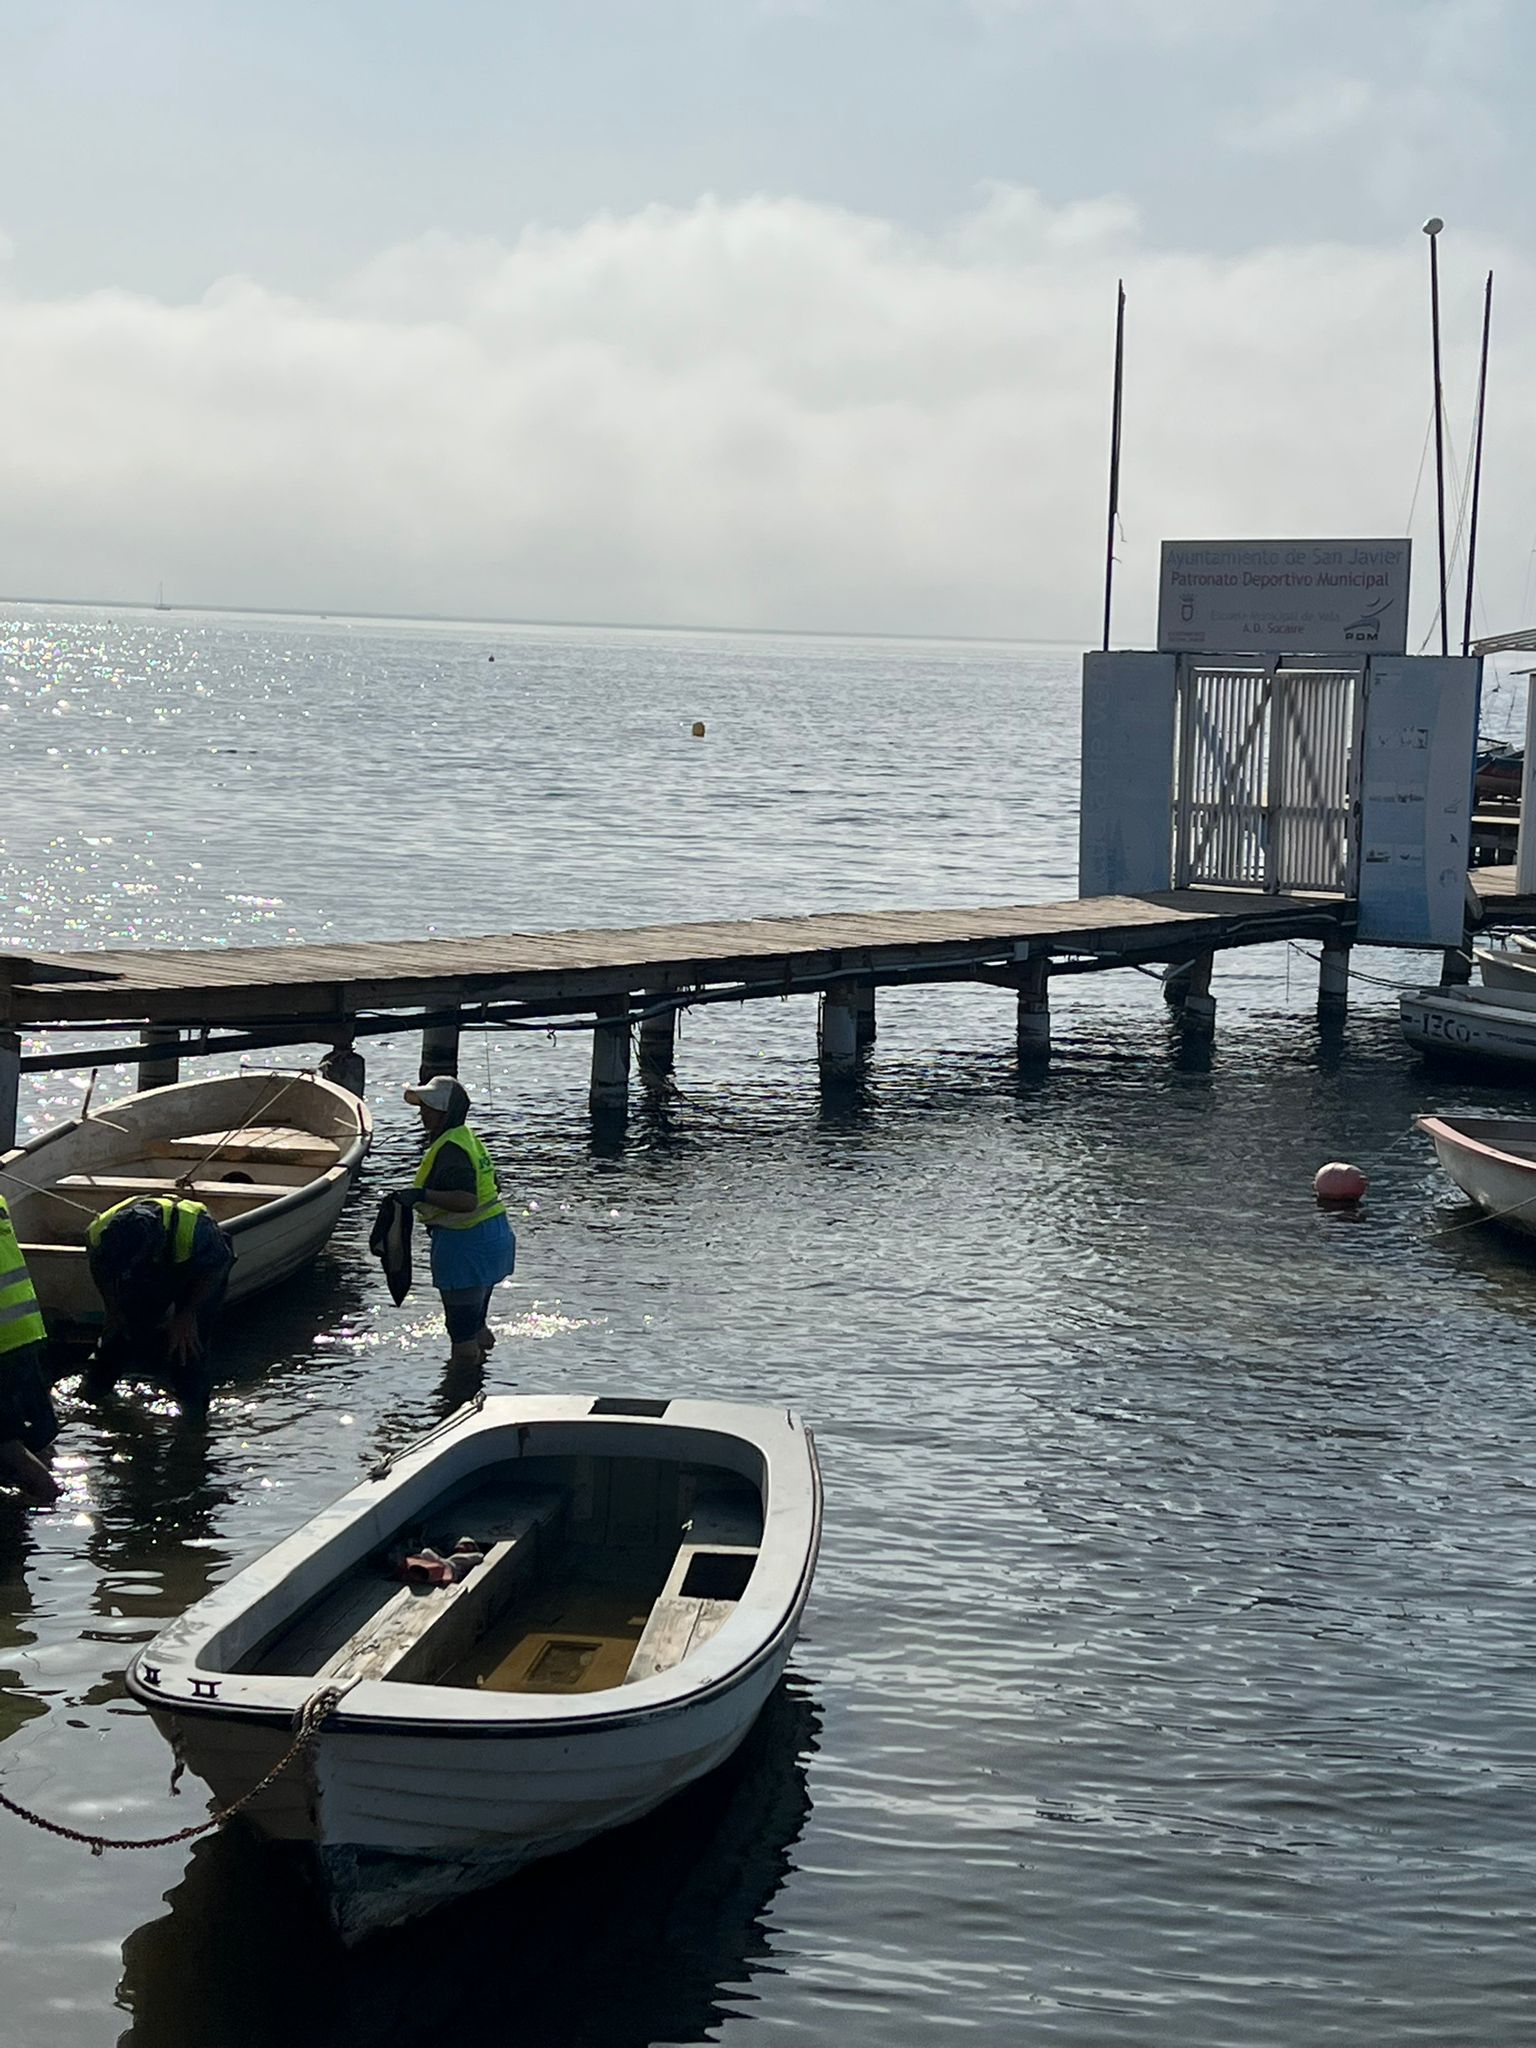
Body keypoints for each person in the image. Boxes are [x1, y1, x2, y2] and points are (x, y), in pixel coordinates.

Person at [399, 1076, 515, 1366]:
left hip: (465, 1243)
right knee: (477, 1328)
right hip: (493, 1235)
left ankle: (458, 1399)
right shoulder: (468, 1138)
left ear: (444, 1112)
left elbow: (467, 1200)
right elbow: (494, 1187)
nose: (422, 1113)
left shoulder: (451, 1149)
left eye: (427, 1107)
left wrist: (420, 1194)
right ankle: (483, 1386)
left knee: (461, 1338)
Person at [85, 1195, 234, 1415]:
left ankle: (193, 1416)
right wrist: (113, 1309)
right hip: (144, 1276)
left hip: (198, 1275)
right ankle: (93, 1394)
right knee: (117, 1336)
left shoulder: (197, 1230)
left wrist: (186, 1314)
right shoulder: (100, 1234)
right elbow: (100, 1268)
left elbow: (217, 1268)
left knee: (186, 1346)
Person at [0, 1194, 60, 1504]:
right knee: (33, 1431)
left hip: (2, 1343)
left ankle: (47, 1497)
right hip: (24, 1329)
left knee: (4, 1443)